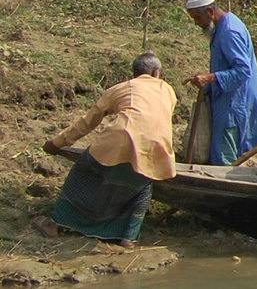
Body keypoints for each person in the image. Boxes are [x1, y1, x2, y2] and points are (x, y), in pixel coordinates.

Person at [33, 53, 176, 246]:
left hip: (120, 139)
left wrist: (57, 142)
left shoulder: (121, 88)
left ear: (134, 73)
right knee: (142, 188)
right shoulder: (168, 91)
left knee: (81, 173)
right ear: (157, 72)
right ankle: (128, 238)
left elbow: (88, 121)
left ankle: (56, 224)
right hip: (157, 149)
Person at [183, 0, 257, 164]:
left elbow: (242, 70)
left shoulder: (230, 31)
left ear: (210, 12)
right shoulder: (223, 27)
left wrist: (210, 78)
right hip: (228, 101)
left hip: (234, 104)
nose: (197, 23)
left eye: (197, 18)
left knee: (224, 157)